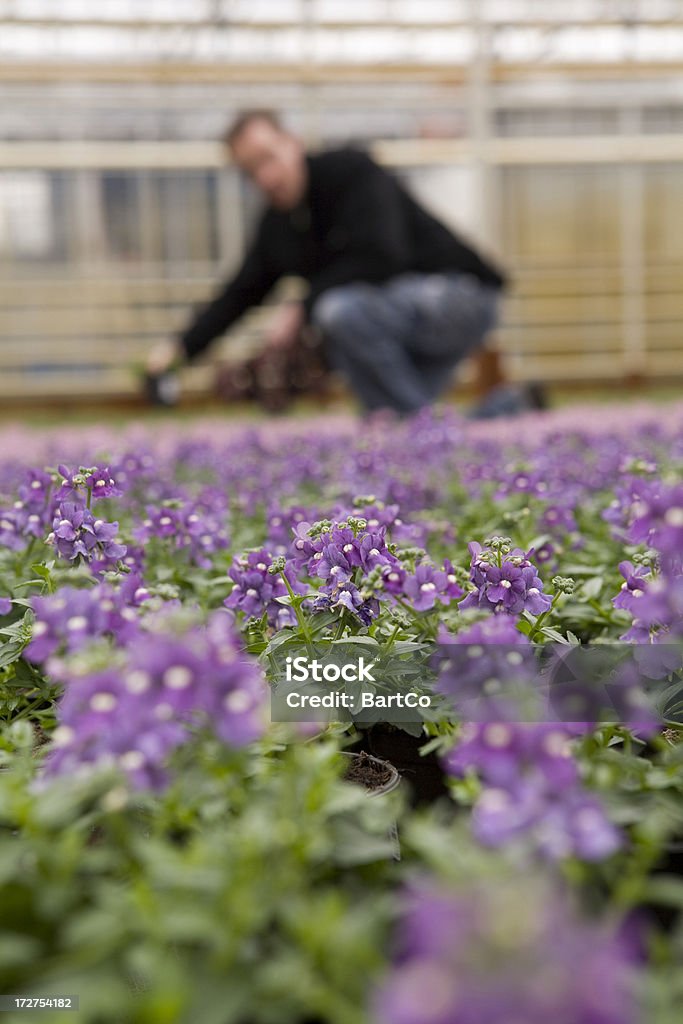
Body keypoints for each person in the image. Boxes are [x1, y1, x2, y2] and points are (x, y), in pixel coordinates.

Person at [146, 110, 509, 415]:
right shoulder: (279, 223)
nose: (265, 177)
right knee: (396, 411)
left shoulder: (350, 171)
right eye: (251, 171)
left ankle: (417, 433)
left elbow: (381, 255)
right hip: (398, 314)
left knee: (340, 313)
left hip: (462, 295)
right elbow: (240, 293)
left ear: (293, 143)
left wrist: (300, 306)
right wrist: (179, 351)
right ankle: (508, 409)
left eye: (268, 158)